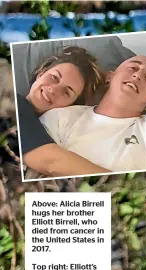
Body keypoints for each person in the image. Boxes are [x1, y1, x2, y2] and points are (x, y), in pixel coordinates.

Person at [39, 55, 146, 175]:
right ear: (109, 77)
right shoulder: (60, 118)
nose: (137, 76)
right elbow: (38, 170)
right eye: (133, 68)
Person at [17, 46, 111, 177]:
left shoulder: (55, 134)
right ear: (41, 73)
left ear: (71, 106)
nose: (54, 90)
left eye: (66, 92)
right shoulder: (14, 103)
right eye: (54, 77)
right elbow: (51, 162)